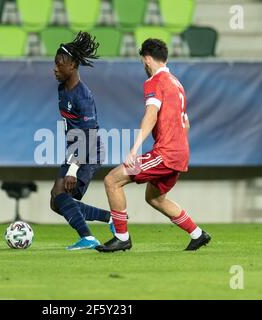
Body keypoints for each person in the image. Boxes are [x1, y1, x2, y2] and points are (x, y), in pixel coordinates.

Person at [96, 38, 211, 253]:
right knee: (155, 198)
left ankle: (122, 238)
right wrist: (178, 148)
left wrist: (135, 149)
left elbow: (151, 114)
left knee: (112, 180)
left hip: (166, 154)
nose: (144, 66)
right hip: (179, 153)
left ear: (147, 59)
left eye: (143, 62)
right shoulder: (177, 84)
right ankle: (198, 234)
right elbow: (186, 123)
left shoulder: (155, 82)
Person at [50, 31, 114, 250]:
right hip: (74, 149)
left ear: (73, 65)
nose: (55, 69)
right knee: (56, 201)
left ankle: (88, 237)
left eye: (59, 64)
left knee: (62, 196)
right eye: (54, 64)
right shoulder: (62, 89)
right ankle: (111, 218)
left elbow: (89, 135)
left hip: (88, 151)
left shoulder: (83, 96)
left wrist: (73, 169)